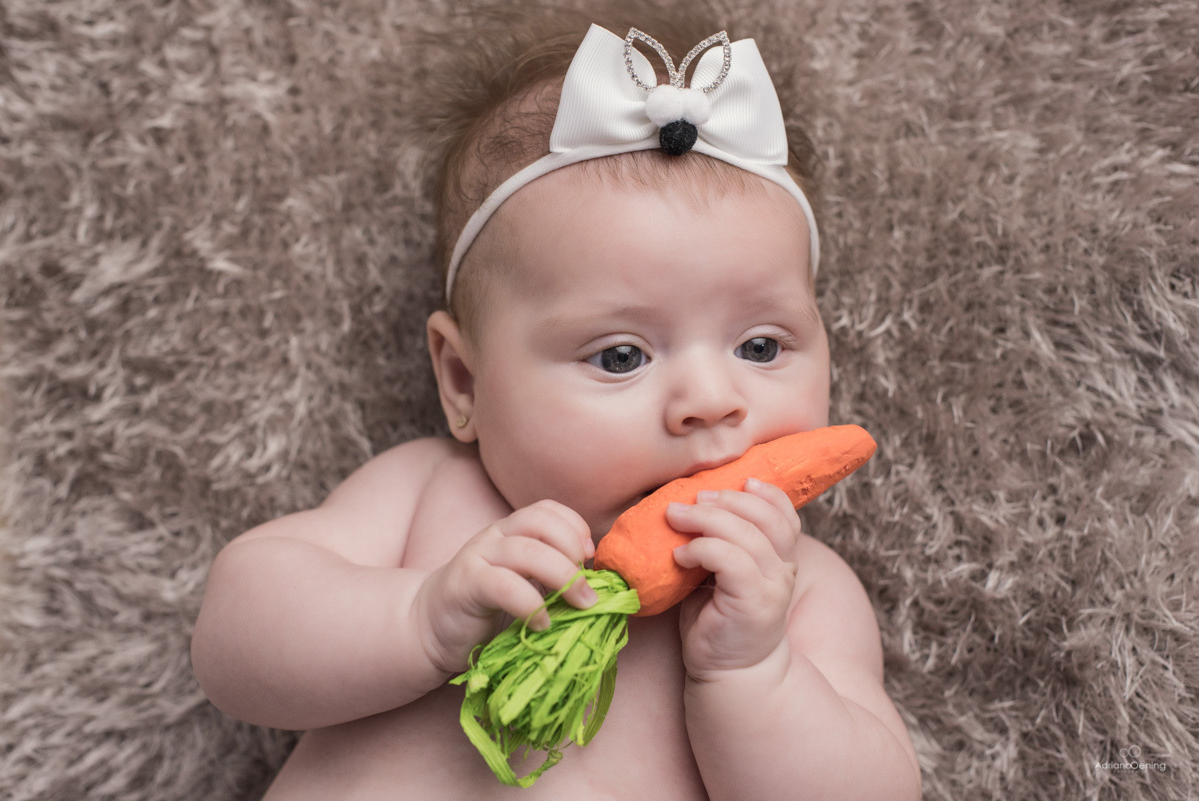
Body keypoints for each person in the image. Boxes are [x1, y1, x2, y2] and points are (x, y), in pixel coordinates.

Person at [191, 7, 921, 799]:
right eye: (620, 355)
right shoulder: (428, 495)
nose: (711, 401)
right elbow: (234, 646)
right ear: (464, 383)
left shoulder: (795, 589)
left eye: (760, 347)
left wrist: (753, 671)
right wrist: (419, 619)